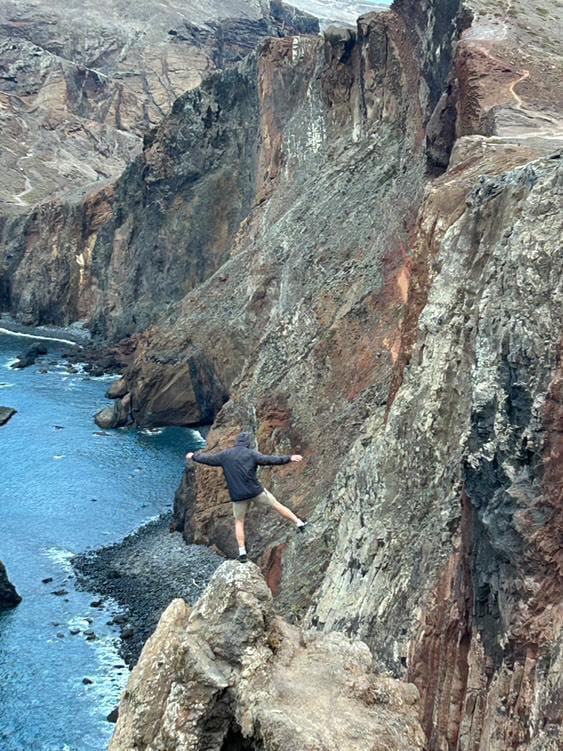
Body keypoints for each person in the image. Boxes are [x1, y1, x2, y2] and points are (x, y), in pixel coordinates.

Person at [186, 431, 307, 562]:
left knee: (239, 522)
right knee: (276, 505)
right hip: (255, 491)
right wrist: (289, 458)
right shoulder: (252, 454)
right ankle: (299, 523)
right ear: (248, 443)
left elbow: (207, 459)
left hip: (238, 496)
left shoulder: (225, 455)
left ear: (237, 442)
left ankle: (242, 552)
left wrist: (194, 456)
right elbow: (270, 460)